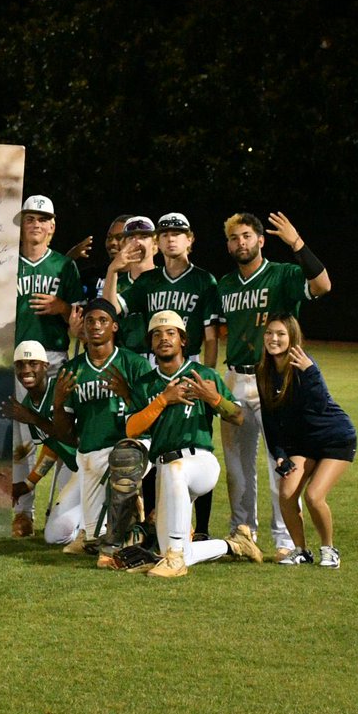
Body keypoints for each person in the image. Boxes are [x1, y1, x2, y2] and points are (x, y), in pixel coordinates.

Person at [218, 212, 332, 560]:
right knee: (237, 466)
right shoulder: (224, 284)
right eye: (235, 238)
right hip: (235, 378)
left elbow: (323, 285)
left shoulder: (281, 274)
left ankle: (284, 540)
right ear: (229, 245)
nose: (242, 243)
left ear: (261, 240)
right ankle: (243, 534)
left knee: (280, 462)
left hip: (277, 380)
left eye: (248, 236)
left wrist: (296, 242)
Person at [104, 212, 222, 537]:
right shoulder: (149, 282)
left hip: (191, 361)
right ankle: (153, 520)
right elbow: (112, 309)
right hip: (158, 365)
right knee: (159, 441)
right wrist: (114, 270)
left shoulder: (203, 280)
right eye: (166, 232)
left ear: (189, 239)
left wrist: (206, 373)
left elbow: (211, 334)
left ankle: (203, 528)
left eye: (177, 232)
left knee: (197, 439)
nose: (171, 238)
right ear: (160, 240)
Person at [123, 311, 263, 577]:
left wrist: (214, 399)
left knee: (177, 469)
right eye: (157, 335)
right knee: (174, 548)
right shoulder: (145, 384)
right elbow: (132, 428)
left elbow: (238, 416)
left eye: (170, 333)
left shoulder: (202, 375)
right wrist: (163, 400)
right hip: (164, 471)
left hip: (199, 462)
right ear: (151, 344)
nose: (163, 339)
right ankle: (235, 545)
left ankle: (175, 559)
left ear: (183, 340)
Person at [50, 298, 151, 554]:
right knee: (94, 542)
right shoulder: (72, 370)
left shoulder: (134, 364)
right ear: (82, 327)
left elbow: (151, 415)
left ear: (115, 327)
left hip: (130, 447)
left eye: (103, 320)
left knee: (123, 458)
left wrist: (128, 395)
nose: (95, 325)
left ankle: (132, 511)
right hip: (89, 454)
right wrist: (59, 404)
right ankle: (128, 528)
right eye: (90, 320)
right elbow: (64, 434)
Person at [256, 314, 354, 568]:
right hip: (303, 443)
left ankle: (329, 549)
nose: (273, 338)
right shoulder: (263, 371)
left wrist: (311, 372)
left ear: (292, 338)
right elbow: (270, 419)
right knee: (286, 492)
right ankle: (301, 550)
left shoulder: (303, 365)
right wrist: (279, 453)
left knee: (313, 496)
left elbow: (321, 405)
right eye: (269, 333)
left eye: (280, 334)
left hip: (335, 438)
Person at [11, 195, 83, 530]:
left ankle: (61, 509)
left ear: (52, 228)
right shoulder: (8, 262)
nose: (36, 224)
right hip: (16, 361)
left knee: (64, 433)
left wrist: (62, 308)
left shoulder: (65, 267)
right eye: (30, 218)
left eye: (43, 219)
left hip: (53, 357)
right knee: (21, 439)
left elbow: (81, 319)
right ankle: (22, 513)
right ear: (22, 225)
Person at [0, 342, 82, 544]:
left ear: (45, 366)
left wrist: (33, 418)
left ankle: (112, 514)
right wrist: (28, 484)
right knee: (55, 536)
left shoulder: (61, 389)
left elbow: (71, 438)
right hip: (74, 469)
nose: (26, 370)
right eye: (20, 364)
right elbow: (51, 445)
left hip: (92, 465)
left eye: (33, 363)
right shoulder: (28, 404)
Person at [101, 216, 157, 354]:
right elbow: (108, 313)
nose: (136, 242)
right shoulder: (114, 283)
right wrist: (112, 269)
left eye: (144, 237)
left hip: (160, 359)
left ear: (156, 245)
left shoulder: (164, 279)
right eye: (131, 237)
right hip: (125, 358)